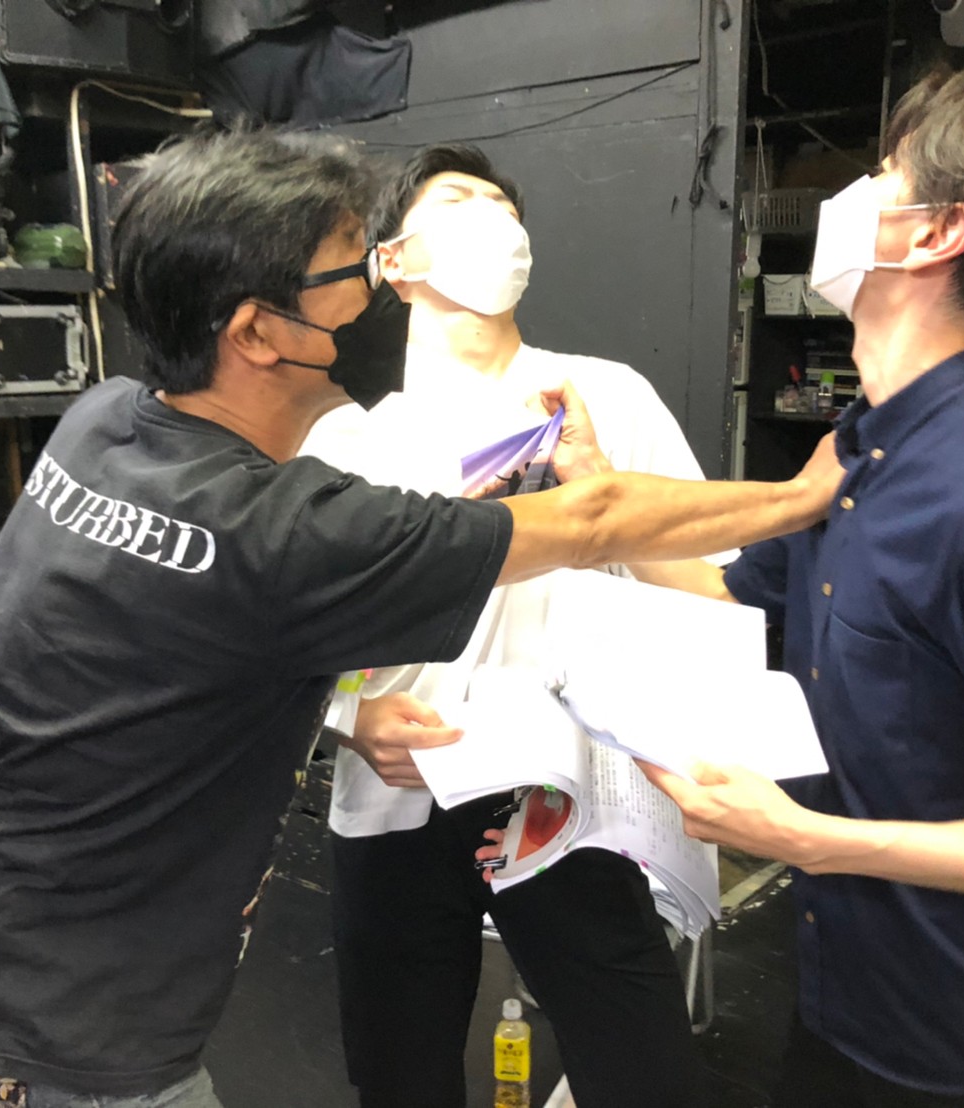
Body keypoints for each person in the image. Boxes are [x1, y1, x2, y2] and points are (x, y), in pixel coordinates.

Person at [0, 126, 839, 1108]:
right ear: (258, 331)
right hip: (73, 1019)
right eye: (357, 269)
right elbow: (573, 522)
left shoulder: (104, 423)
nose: (377, 291)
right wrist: (803, 494)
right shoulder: (292, 523)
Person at [509, 62, 964, 1107]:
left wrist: (805, 839)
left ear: (933, 233)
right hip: (848, 989)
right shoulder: (858, 451)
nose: (851, 194)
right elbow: (721, 597)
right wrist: (595, 488)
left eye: (884, 173)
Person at [302, 143, 726, 1108]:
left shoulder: (606, 395)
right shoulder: (346, 438)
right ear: (394, 258)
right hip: (396, 796)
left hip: (564, 796)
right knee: (399, 1073)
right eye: (460, 199)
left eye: (505, 204)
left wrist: (600, 491)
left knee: (644, 1071)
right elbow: (286, 631)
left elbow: (709, 600)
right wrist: (349, 722)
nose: (495, 217)